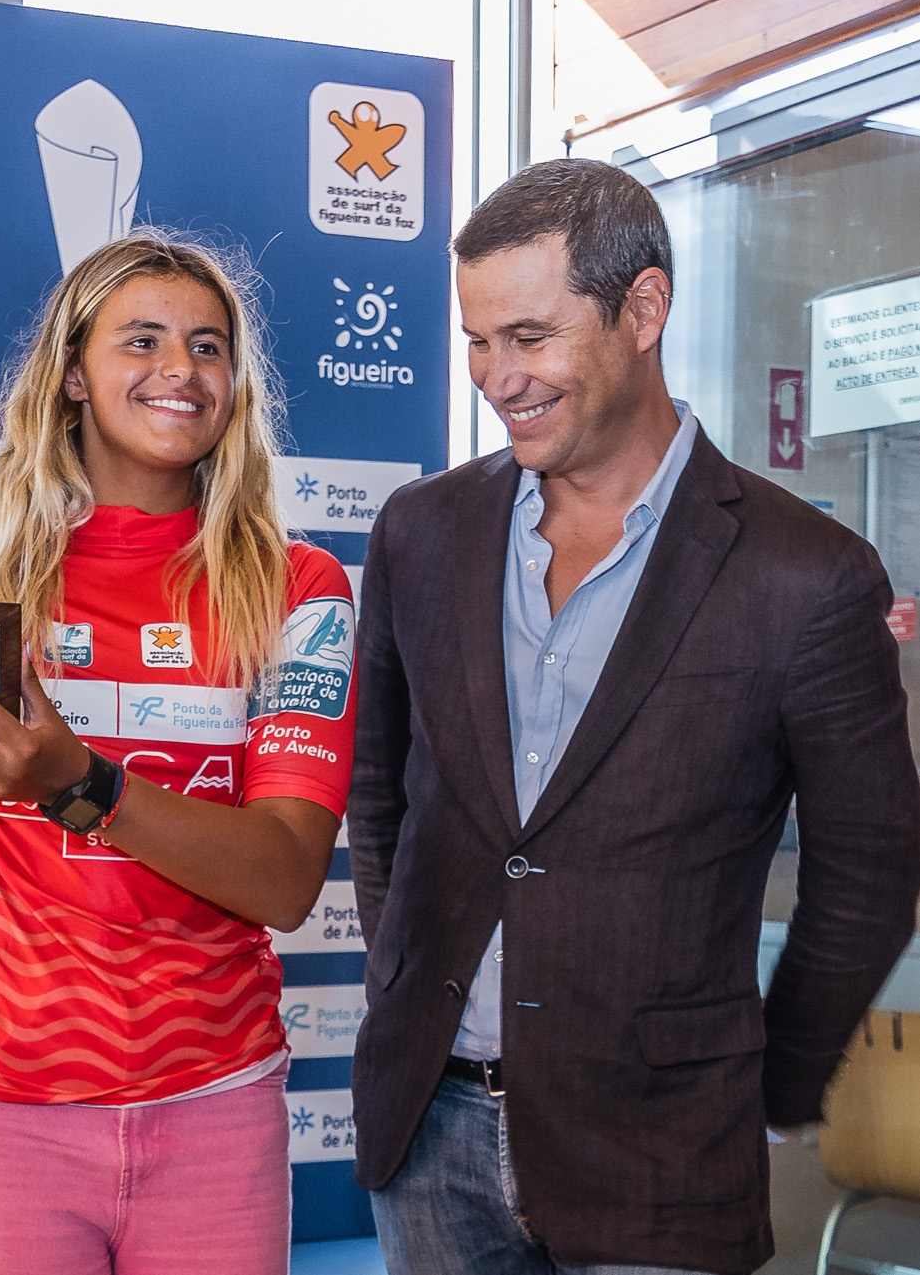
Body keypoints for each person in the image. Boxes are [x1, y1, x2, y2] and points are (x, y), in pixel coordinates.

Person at [350, 158, 920, 1275]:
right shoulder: (419, 532)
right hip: (426, 1136)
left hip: (663, 1152)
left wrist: (773, 1080)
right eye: (476, 340)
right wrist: (406, 986)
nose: (495, 376)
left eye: (529, 335)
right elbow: (382, 798)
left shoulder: (805, 573)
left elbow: (869, 867)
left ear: (643, 309)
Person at [0, 233, 355, 1275]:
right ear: (73, 372)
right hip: (0, 1106)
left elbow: (285, 874)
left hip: (214, 1103)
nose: (181, 368)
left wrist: (74, 780)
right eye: (144, 339)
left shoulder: (297, 590)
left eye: (208, 345)